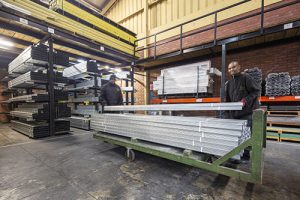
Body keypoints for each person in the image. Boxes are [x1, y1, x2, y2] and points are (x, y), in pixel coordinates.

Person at [225, 61, 261, 162]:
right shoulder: (229, 83)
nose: (232, 69)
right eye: (229, 68)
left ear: (239, 67)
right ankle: (236, 155)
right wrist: (227, 112)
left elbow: (256, 91)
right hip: (234, 114)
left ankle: (245, 155)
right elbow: (227, 100)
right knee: (235, 134)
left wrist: (246, 100)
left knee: (246, 134)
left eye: (234, 67)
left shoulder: (246, 78)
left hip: (247, 113)